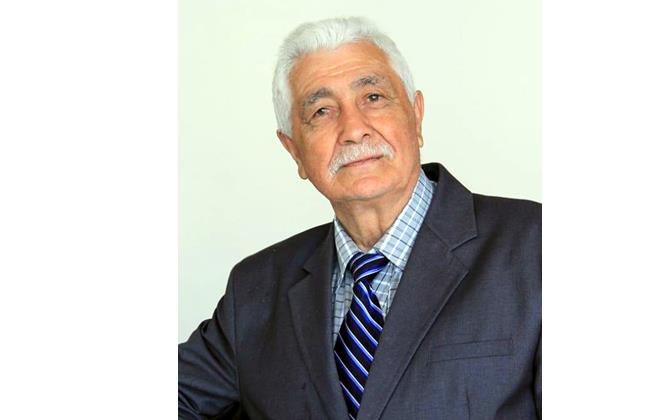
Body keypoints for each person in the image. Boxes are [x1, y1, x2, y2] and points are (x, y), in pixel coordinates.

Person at [179, 16, 541, 420]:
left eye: (373, 97)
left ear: (416, 115)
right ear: (294, 150)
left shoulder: (536, 247)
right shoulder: (255, 289)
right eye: (321, 111)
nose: (353, 129)